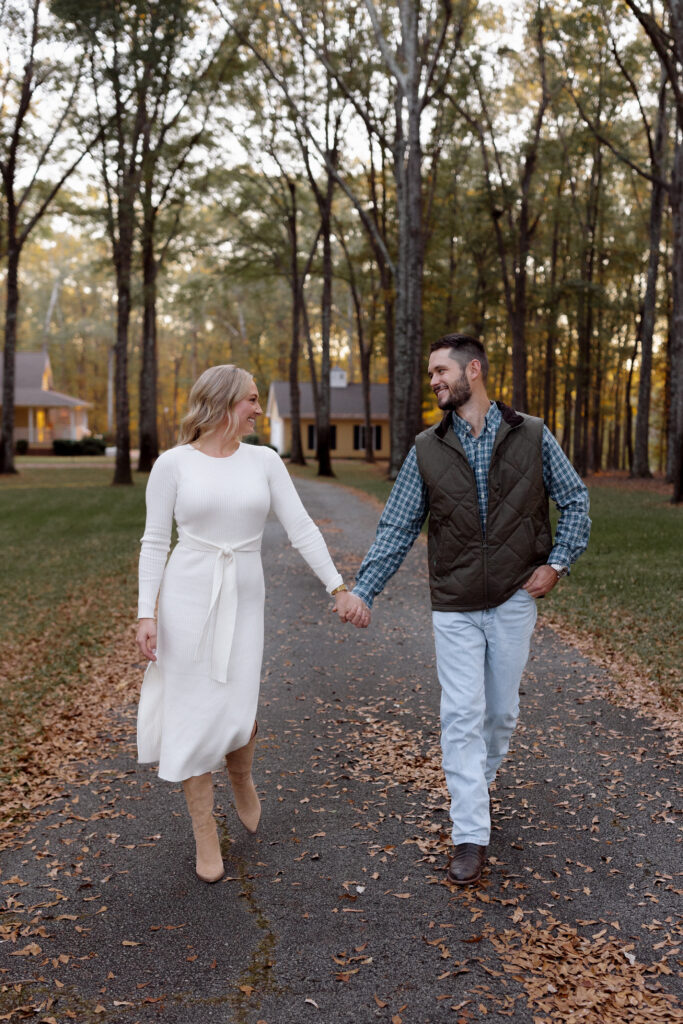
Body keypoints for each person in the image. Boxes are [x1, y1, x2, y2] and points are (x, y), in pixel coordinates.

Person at [347, 334, 591, 886]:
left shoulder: (530, 434)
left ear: (473, 370)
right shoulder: (427, 448)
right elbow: (397, 526)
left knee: (499, 715)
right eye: (431, 373)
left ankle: (471, 791)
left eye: (441, 371)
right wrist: (365, 589)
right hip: (454, 605)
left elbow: (575, 500)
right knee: (461, 715)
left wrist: (557, 563)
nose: (433, 381)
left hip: (513, 599)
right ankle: (469, 834)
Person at [136, 364, 367, 883]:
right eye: (252, 399)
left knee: (238, 707)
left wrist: (338, 586)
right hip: (187, 595)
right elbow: (154, 542)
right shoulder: (172, 465)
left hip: (245, 596)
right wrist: (145, 613)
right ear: (221, 403)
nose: (259, 409)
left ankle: (240, 772)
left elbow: (301, 526)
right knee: (192, 711)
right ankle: (204, 832)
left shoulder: (264, 461)